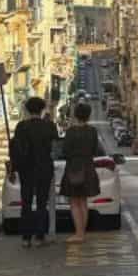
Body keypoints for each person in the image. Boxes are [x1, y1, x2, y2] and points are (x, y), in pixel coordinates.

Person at [9, 96, 60, 247]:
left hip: (26, 169)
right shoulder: (49, 126)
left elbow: (15, 149)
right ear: (42, 109)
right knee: (41, 203)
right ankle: (40, 236)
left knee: (26, 202)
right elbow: (55, 146)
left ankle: (26, 238)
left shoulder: (21, 127)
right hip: (44, 168)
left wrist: (13, 168)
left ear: (27, 110)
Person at [60, 101, 103, 244]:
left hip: (74, 168)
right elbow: (95, 150)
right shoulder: (92, 131)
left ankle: (79, 234)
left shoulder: (71, 132)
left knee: (74, 202)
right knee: (84, 202)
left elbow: (65, 151)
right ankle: (82, 233)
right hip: (88, 167)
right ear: (88, 115)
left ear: (75, 115)